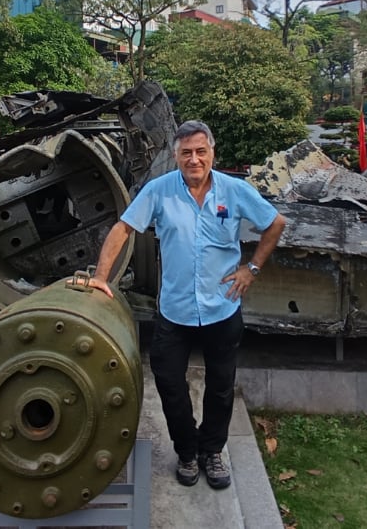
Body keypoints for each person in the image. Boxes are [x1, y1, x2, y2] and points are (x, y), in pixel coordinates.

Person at [88, 120, 286, 490]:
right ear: (176, 156)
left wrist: (252, 268)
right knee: (169, 385)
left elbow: (275, 223)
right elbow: (123, 228)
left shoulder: (235, 190)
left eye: (201, 151)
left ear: (212, 153)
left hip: (222, 308)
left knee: (221, 386)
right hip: (174, 312)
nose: (194, 159)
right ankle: (187, 451)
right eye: (186, 153)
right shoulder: (159, 191)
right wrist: (101, 277)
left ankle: (212, 451)